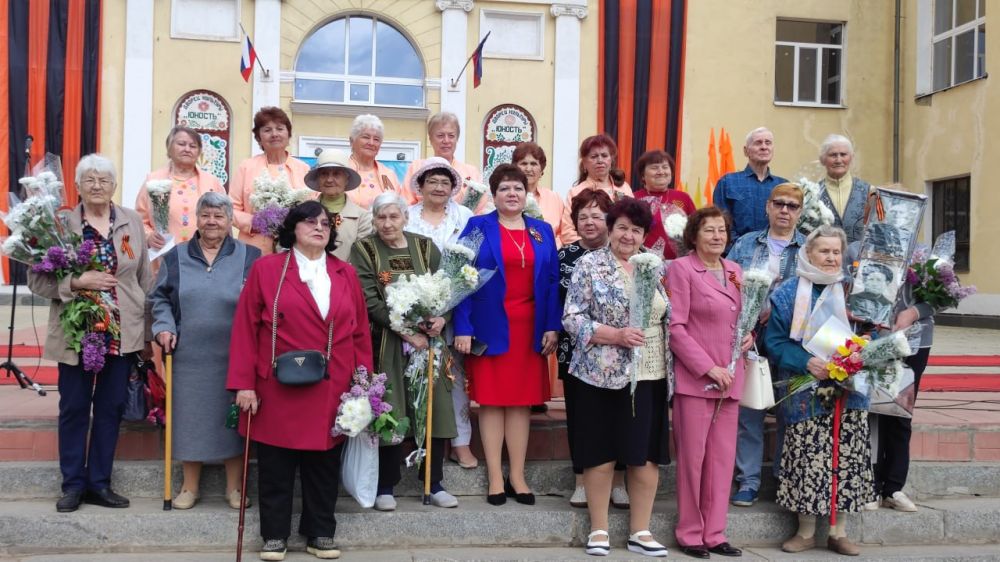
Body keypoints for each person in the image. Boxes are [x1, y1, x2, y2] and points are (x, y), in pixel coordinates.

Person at [226, 201, 373, 561]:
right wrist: (244, 384)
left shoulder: (345, 273)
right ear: (293, 229)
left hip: (332, 382)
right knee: (276, 463)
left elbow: (359, 334)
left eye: (325, 223)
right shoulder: (267, 269)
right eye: (309, 222)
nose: (319, 228)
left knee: (323, 464)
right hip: (276, 382)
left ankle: (320, 531)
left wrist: (363, 383)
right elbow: (246, 329)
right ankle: (274, 535)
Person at [28, 154, 153, 513]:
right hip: (76, 333)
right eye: (90, 180)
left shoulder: (130, 221)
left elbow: (144, 280)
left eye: (104, 180)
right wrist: (76, 281)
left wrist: (144, 335)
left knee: (111, 409)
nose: (97, 186)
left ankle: (99, 483)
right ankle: (72, 485)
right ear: (78, 185)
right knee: (74, 408)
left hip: (120, 332)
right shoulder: (61, 223)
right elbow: (37, 280)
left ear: (114, 186)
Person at [562, 198, 671, 558]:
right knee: (601, 452)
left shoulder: (653, 267)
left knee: (645, 456)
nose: (628, 235)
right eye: (622, 227)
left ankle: (640, 530)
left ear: (644, 236)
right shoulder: (590, 265)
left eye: (636, 230)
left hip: (650, 372)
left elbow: (665, 315)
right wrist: (615, 334)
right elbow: (572, 318)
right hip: (600, 374)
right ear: (610, 228)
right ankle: (599, 529)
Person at [453, 164, 561, 506]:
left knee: (520, 403)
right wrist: (463, 327)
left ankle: (517, 475)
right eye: (504, 189)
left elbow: (552, 282)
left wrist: (552, 326)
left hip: (530, 326)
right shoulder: (477, 226)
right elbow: (460, 278)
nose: (512, 194)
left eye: (518, 188)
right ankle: (496, 479)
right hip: (488, 325)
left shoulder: (542, 230)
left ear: (527, 193)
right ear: (494, 195)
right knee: (492, 402)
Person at [766, 225, 876, 556]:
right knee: (808, 457)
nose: (830, 257)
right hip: (806, 391)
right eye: (823, 251)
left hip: (849, 389)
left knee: (846, 457)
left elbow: (874, 330)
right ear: (808, 253)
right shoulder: (787, 293)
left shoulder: (856, 291)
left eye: (836, 252)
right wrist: (806, 361)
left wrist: (864, 351)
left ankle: (838, 531)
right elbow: (773, 341)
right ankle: (805, 530)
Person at [150, 193, 260, 510]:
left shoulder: (249, 256)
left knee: (232, 420)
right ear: (197, 219)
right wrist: (164, 326)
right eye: (206, 215)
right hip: (189, 356)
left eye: (219, 216)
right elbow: (159, 300)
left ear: (230, 221)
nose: (212, 221)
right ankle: (189, 487)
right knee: (190, 419)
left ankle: (234, 488)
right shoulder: (176, 256)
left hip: (234, 356)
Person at [349, 192, 459, 511]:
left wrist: (441, 319)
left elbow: (447, 289)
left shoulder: (424, 247)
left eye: (393, 217)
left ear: (405, 218)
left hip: (429, 344)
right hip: (388, 343)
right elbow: (368, 299)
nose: (387, 224)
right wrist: (407, 333)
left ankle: (434, 483)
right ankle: (386, 485)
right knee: (390, 407)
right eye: (381, 217)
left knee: (432, 407)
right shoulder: (364, 249)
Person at [667, 207, 752, 559]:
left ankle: (716, 533)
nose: (717, 237)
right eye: (709, 230)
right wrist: (707, 368)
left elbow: (742, 319)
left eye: (722, 231)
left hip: (731, 379)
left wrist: (749, 338)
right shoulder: (681, 269)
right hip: (696, 380)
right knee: (693, 460)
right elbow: (676, 328)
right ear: (694, 235)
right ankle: (690, 533)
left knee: (720, 460)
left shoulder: (735, 271)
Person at [726, 183, 807, 507]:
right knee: (750, 412)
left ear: (800, 212)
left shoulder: (808, 248)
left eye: (792, 206)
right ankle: (748, 481)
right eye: (779, 204)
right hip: (751, 341)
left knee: (791, 411)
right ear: (768, 207)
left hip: (791, 342)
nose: (784, 210)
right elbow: (727, 283)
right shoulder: (745, 244)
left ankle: (785, 478)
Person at [555, 190, 630, 510]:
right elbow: (553, 300)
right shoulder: (564, 256)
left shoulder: (629, 257)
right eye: (582, 216)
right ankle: (582, 481)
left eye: (596, 215)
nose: (589, 221)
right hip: (575, 348)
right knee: (582, 417)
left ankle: (618, 482)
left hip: (624, 351)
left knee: (621, 419)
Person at [403, 157, 478, 469]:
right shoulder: (406, 216)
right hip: (411, 307)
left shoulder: (464, 216)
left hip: (454, 308)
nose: (438, 187)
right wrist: (414, 307)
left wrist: (447, 310)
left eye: (445, 182)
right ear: (420, 185)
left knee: (454, 376)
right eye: (431, 181)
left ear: (453, 188)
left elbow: (472, 264)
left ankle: (460, 442)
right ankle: (420, 438)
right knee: (416, 375)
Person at [869, 265, 936, 513]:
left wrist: (914, 312)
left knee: (900, 412)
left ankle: (894, 487)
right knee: (872, 413)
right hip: (871, 338)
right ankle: (870, 485)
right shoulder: (857, 251)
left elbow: (945, 295)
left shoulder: (921, 257)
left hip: (915, 341)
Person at [230, 107, 311, 255]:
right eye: (267, 130)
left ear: (288, 134)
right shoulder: (246, 167)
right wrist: (257, 222)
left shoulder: (303, 169)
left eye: (280, 129)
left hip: (295, 248)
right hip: (253, 248)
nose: (274, 134)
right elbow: (231, 209)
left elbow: (313, 208)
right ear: (259, 138)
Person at [134, 126, 224, 248]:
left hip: (205, 257)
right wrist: (149, 236)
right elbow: (139, 220)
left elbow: (225, 220)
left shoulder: (212, 182)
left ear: (199, 152)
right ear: (169, 148)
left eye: (193, 146)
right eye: (181, 144)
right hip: (164, 256)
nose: (187, 149)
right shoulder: (154, 180)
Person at [400, 112, 486, 212]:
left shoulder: (471, 172)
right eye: (440, 135)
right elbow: (406, 204)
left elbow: (480, 209)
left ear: (457, 139)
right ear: (431, 139)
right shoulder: (417, 167)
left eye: (451, 136)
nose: (446, 141)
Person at [713, 127, 788, 239]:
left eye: (768, 143)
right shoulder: (727, 182)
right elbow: (720, 223)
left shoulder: (783, 186)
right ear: (746, 150)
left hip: (775, 252)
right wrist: (738, 249)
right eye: (758, 143)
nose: (764, 147)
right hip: (735, 253)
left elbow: (789, 224)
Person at [560, 134, 634, 245]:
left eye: (604, 155)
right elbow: (567, 232)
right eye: (594, 157)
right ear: (584, 163)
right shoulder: (576, 192)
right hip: (587, 253)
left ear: (611, 160)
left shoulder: (624, 188)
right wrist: (592, 249)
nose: (600, 160)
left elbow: (635, 222)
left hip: (623, 249)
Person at [304, 149, 373, 261]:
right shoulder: (302, 213)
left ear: (347, 179)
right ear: (317, 179)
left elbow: (362, 258)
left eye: (336, 174)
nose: (329, 180)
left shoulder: (363, 218)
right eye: (324, 174)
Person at [631, 150, 695, 259]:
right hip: (645, 263)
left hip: (681, 263)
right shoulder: (633, 198)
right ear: (642, 175)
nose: (661, 172)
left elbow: (696, 229)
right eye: (654, 168)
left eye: (665, 167)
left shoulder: (684, 198)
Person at [817, 134, 871, 244]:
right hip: (824, 258)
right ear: (823, 160)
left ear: (851, 157)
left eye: (843, 154)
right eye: (833, 155)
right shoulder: (813, 193)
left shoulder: (869, 192)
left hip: (859, 259)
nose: (838, 160)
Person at [346, 114, 402, 209]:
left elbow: (399, 208)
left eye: (376, 139)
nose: (371, 143)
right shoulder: (340, 170)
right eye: (366, 137)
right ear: (352, 141)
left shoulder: (389, 174)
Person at [513, 142, 565, 246]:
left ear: (541, 170)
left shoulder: (554, 198)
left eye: (533, 164)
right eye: (523, 163)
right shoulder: (507, 197)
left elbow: (563, 233)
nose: (528, 169)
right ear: (515, 168)